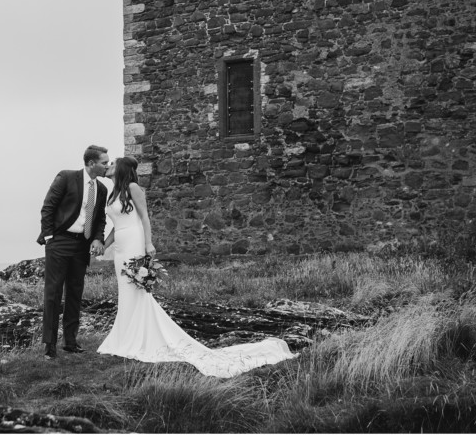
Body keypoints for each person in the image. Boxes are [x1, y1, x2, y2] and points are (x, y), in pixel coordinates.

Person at [97, 156, 296, 377]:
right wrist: (104, 245)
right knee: (124, 290)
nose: (108, 167)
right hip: (121, 246)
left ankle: (139, 336)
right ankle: (124, 335)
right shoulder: (114, 192)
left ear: (122, 168)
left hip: (134, 241)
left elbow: (144, 218)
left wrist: (148, 243)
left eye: (112, 164)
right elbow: (117, 226)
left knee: (136, 289)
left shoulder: (134, 188)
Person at [37, 145, 110, 360]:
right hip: (59, 242)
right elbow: (48, 206)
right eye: (104, 162)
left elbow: (100, 219)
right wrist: (50, 237)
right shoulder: (66, 177)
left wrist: (98, 238)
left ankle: (70, 341)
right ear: (91, 163)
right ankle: (49, 345)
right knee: (53, 294)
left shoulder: (102, 190)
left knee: (75, 294)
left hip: (82, 246)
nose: (107, 165)